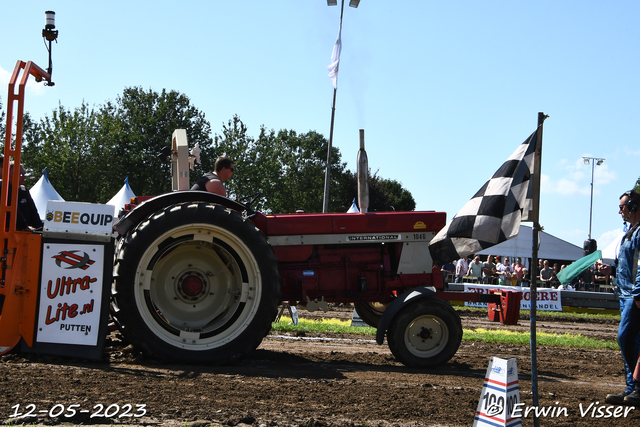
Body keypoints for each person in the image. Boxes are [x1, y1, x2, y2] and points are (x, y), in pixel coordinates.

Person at [597, 190, 640, 406]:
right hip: (626, 294)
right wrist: (610, 271)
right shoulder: (630, 231)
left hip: (634, 295)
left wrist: (638, 293)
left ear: (633, 207)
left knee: (626, 338)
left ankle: (637, 388)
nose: (619, 211)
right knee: (630, 342)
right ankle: (631, 389)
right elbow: (628, 265)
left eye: (622, 207)